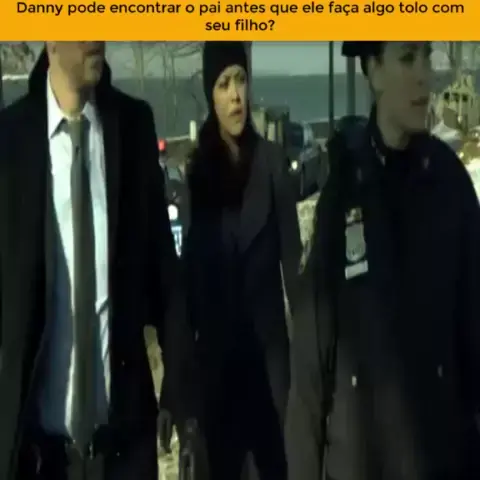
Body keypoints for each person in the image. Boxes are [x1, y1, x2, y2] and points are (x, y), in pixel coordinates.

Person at [286, 41, 480, 480]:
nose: (424, 75)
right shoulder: (342, 194)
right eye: (407, 58)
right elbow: (311, 370)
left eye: (427, 56)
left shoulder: (449, 185)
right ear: (373, 70)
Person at [0, 42, 185, 480]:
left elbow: (164, 269)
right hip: (39, 458)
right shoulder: (10, 141)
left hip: (122, 449)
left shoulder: (133, 128)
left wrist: (178, 384)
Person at [181, 41, 301, 480]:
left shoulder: (271, 164)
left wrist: (308, 371)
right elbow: (190, 286)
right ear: (210, 95)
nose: (235, 95)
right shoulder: (197, 174)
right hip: (217, 375)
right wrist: (185, 384)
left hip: (270, 370)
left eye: (241, 80)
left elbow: (295, 273)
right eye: (223, 84)